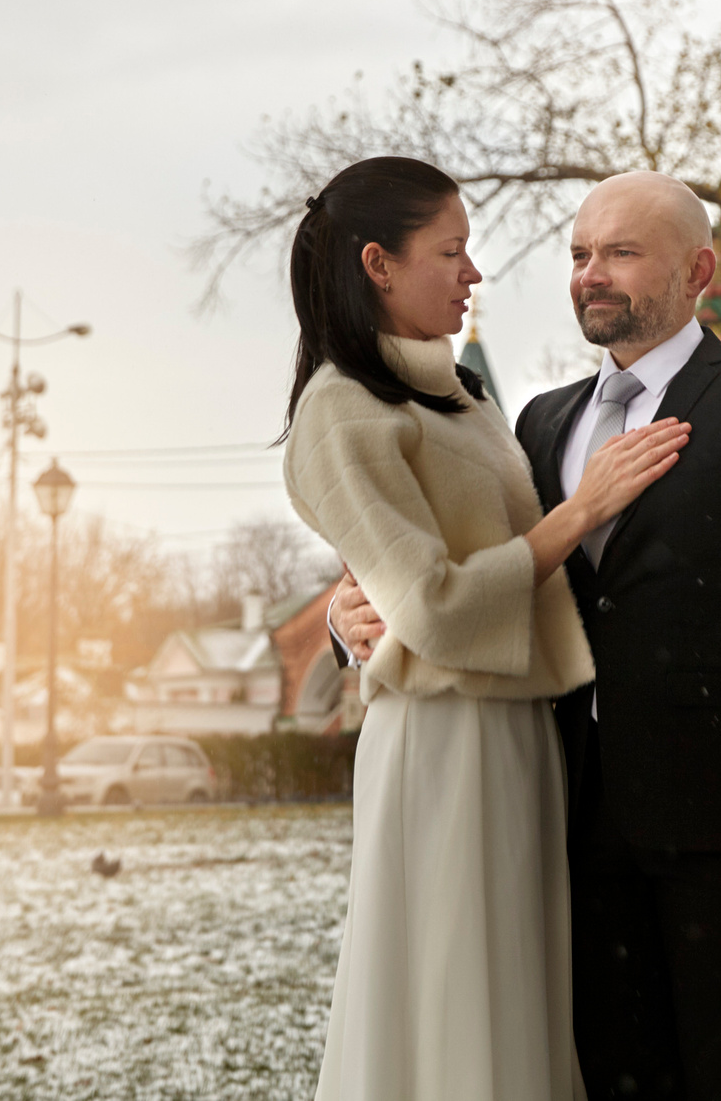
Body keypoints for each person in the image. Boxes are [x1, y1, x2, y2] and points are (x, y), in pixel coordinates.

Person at [336, 170, 721, 1101]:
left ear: (697, 268)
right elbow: (476, 579)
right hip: (567, 829)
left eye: (621, 252)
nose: (591, 275)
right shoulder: (538, 423)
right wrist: (357, 618)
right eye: (580, 255)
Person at [284, 157, 690, 1101]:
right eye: (453, 252)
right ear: (378, 264)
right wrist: (579, 511)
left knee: (520, 991)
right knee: (455, 994)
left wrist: (360, 618)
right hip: (443, 743)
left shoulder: (460, 395)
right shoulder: (339, 411)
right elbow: (432, 603)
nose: (474, 273)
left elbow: (422, 583)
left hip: (517, 735)